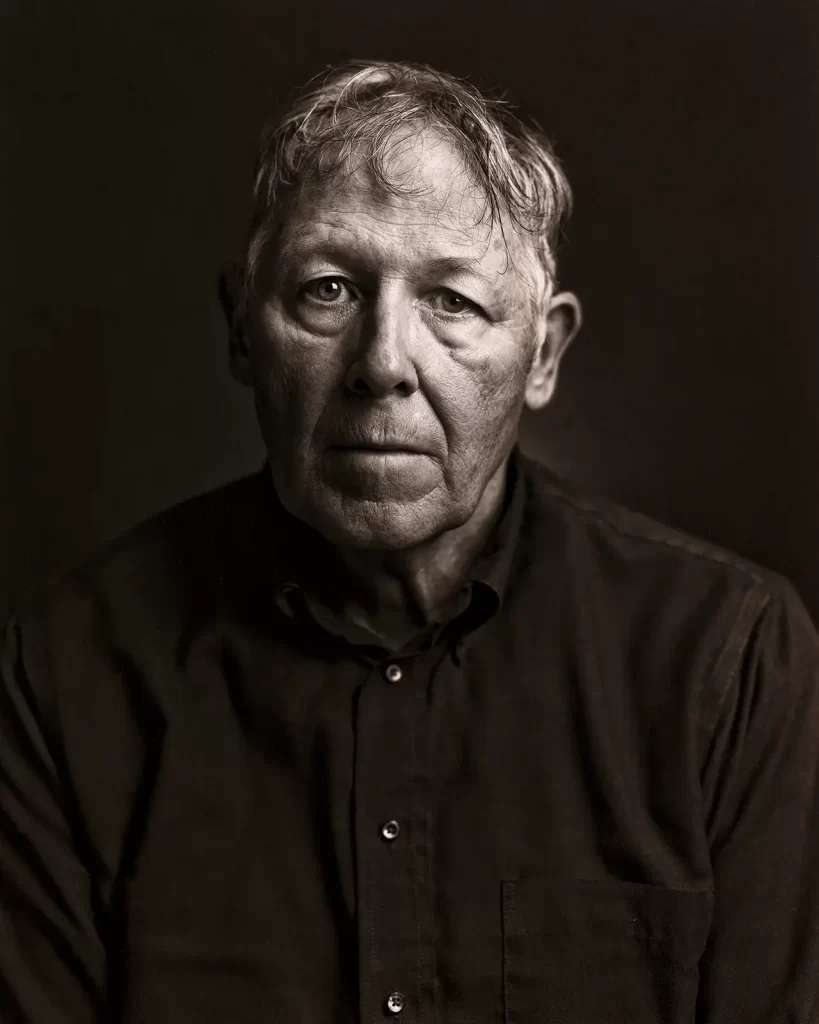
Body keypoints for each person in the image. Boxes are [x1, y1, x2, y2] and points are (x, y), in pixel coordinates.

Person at [1, 60, 817, 1024]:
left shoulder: (729, 660)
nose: (382, 364)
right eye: (329, 290)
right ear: (239, 330)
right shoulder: (69, 669)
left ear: (543, 354)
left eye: (451, 302)